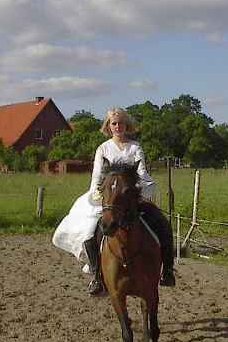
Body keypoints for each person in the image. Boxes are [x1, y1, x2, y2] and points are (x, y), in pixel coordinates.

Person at [52, 108, 175, 295]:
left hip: (131, 197)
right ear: (108, 126)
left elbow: (141, 173)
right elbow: (97, 176)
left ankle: (167, 271)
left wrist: (143, 189)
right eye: (114, 123)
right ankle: (96, 276)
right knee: (90, 231)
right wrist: (99, 196)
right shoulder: (103, 149)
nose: (118, 127)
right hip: (108, 197)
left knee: (162, 224)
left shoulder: (135, 148)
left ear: (127, 125)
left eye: (121, 123)